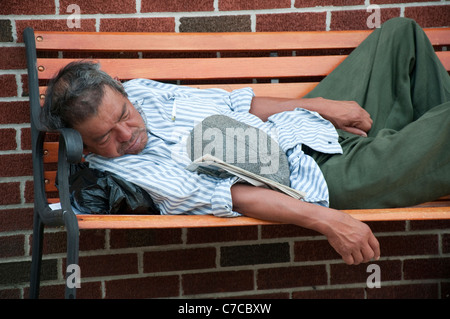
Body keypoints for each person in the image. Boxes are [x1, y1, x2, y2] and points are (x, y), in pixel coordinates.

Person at [41, 18, 450, 265]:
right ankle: (416, 156)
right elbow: (232, 196)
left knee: (401, 36)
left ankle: (420, 159)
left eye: (124, 116)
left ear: (124, 94)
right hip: (312, 178)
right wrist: (330, 221)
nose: (127, 136)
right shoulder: (130, 170)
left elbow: (236, 102)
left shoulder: (144, 91)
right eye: (105, 137)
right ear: (85, 144)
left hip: (302, 123)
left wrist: (324, 106)